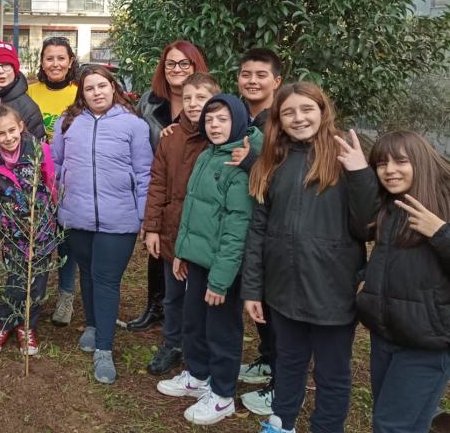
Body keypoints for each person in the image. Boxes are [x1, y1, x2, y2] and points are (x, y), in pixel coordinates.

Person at [242, 83, 376, 433]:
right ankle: (282, 422)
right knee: (288, 362)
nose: (298, 118)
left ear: (322, 110)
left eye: (306, 109)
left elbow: (368, 227)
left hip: (332, 290)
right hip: (283, 288)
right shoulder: (272, 162)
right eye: (289, 112)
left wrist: (361, 174)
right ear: (279, 119)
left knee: (332, 372)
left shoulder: (344, 157)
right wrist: (253, 289)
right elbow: (258, 231)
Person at [155, 94, 263, 425]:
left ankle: (222, 394)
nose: (214, 126)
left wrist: (220, 279)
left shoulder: (239, 163)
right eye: (210, 120)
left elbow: (236, 228)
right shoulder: (208, 154)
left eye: (222, 119)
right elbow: (192, 208)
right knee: (194, 321)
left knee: (222, 330)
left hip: (222, 267)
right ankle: (198, 374)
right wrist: (182, 253)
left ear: (239, 121)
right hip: (198, 259)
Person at [337, 130, 450, 433]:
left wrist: (440, 233)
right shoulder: (393, 206)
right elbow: (384, 260)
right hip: (386, 335)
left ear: (421, 162)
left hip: (427, 342)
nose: (390, 170)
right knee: (400, 421)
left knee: (391, 425)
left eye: (401, 161)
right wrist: (366, 283)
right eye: (381, 164)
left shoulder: (445, 202)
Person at [51, 64, 153, 383]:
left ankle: (104, 351)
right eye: (89, 88)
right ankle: (94, 325)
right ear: (82, 92)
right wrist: (58, 203)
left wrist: (141, 217)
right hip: (76, 217)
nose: (96, 92)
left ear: (113, 87)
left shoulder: (133, 125)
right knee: (88, 273)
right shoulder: (67, 123)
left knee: (106, 279)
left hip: (118, 220)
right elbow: (54, 164)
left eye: (102, 86)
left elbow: (145, 173)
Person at [128, 40, 208, 332]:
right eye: (170, 63)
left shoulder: (207, 100)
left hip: (193, 186)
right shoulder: (150, 100)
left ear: (195, 65)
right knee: (157, 246)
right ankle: (156, 305)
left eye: (183, 63)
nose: (176, 69)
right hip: (157, 179)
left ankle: (188, 316)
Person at [144, 72, 220, 377]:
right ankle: (173, 344)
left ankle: (200, 349)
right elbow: (158, 183)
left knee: (203, 297)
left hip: (207, 237)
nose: (192, 104)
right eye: (187, 98)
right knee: (173, 294)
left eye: (201, 98)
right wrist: (152, 228)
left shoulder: (221, 137)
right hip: (173, 232)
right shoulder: (171, 137)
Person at [0, 40, 45, 327]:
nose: (1, 72)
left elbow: (37, 149)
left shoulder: (26, 104)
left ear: (14, 68)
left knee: (16, 247)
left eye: (6, 66)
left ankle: (13, 299)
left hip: (17, 191)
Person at [0, 104, 59, 356]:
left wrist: (49, 218)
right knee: (15, 278)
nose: (8, 137)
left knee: (38, 281)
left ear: (21, 127)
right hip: (13, 231)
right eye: (1, 133)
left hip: (41, 229)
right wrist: (6, 221)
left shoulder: (39, 150)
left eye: (12, 130)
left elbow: (51, 183)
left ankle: (27, 326)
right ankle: (3, 324)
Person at [235, 48, 283, 416]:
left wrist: (251, 162)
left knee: (275, 304)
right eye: (246, 73)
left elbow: (283, 180)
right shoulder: (236, 116)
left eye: (260, 74)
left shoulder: (282, 123)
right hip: (243, 223)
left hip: (276, 228)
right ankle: (267, 359)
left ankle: (281, 382)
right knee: (258, 301)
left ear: (276, 81)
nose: (252, 80)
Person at [26, 36, 81, 327]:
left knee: (66, 239)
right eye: (50, 58)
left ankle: (66, 295)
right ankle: (32, 293)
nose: (55, 63)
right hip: (33, 176)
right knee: (36, 237)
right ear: (42, 62)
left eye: (61, 58)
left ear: (70, 61)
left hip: (68, 176)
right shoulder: (29, 91)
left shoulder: (79, 93)